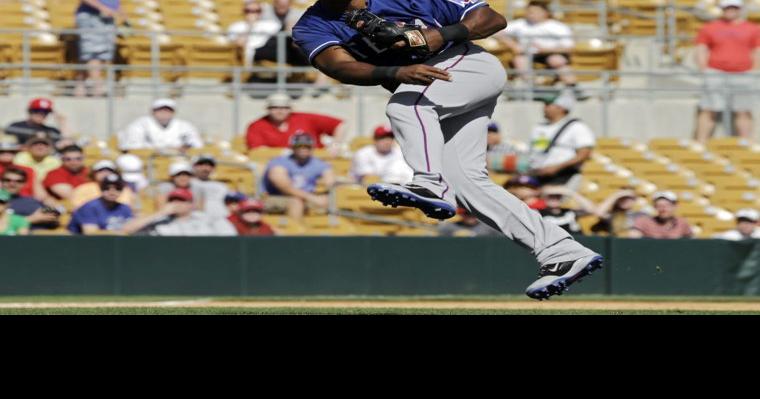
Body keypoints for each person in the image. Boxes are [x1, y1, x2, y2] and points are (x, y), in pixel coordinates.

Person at [293, 0, 602, 300]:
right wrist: (393, 73)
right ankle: (563, 252)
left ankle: (430, 184)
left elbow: (492, 18)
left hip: (465, 63)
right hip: (432, 88)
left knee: (405, 106)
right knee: (466, 181)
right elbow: (339, 66)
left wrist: (442, 34)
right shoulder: (311, 24)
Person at [694, 0, 760, 142]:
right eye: (727, 7)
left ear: (740, 8)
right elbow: (701, 49)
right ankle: (700, 142)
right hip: (715, 73)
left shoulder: (753, 28)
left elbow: (757, 50)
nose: (731, 10)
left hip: (743, 73)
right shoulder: (709, 28)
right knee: (708, 109)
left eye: (734, 7)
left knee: (743, 110)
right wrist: (704, 69)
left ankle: (746, 143)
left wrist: (754, 70)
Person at [496, 1, 577, 88]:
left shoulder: (558, 27)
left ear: (545, 12)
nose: (531, 14)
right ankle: (533, 86)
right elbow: (497, 31)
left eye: (535, 12)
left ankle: (572, 87)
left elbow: (568, 48)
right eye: (529, 11)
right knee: (519, 60)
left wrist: (545, 50)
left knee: (557, 60)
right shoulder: (520, 24)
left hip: (550, 54)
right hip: (526, 54)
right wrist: (513, 45)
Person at [527, 90, 594, 188]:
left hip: (563, 177)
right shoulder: (538, 127)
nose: (544, 107)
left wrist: (557, 167)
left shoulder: (577, 127)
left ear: (561, 107)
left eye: (548, 104)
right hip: (537, 175)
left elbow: (584, 154)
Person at [261, 133, 334, 220]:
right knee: (296, 202)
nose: (303, 149)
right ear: (292, 147)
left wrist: (326, 197)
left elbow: (331, 182)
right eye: (299, 146)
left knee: (334, 200)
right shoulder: (279, 162)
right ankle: (296, 231)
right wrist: (312, 198)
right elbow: (284, 187)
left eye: (307, 146)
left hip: (307, 198)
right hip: (275, 197)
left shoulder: (318, 163)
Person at [245, 92, 345, 151]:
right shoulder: (256, 126)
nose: (279, 111)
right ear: (267, 109)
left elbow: (340, 124)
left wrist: (335, 145)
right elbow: (258, 151)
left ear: (291, 109)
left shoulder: (305, 118)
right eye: (274, 107)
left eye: (284, 107)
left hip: (314, 162)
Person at [122, 188, 237, 236]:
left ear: (191, 204)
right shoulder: (160, 221)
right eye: (173, 200)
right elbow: (127, 229)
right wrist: (160, 213)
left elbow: (230, 238)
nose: (177, 203)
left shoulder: (208, 219)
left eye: (182, 200)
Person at [74, 1, 125, 97]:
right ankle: (97, 90)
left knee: (101, 56)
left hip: (108, 18)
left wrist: (122, 15)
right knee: (93, 54)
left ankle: (80, 87)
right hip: (92, 17)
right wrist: (102, 8)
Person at [117, 99, 204, 152]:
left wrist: (186, 146)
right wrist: (163, 150)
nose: (164, 113)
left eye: (168, 110)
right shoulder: (140, 124)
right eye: (160, 110)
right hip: (148, 160)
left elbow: (197, 144)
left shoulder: (184, 125)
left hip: (177, 160)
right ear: (153, 112)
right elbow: (133, 146)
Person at [67, 174, 133, 235]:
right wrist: (120, 232)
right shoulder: (89, 207)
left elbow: (131, 228)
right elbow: (90, 233)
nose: (112, 192)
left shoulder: (124, 208)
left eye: (117, 188)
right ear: (101, 189)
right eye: (107, 188)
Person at [227, 0, 282, 66]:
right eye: (248, 11)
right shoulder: (236, 26)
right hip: (246, 61)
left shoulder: (271, 25)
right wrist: (250, 26)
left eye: (257, 11)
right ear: (243, 11)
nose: (252, 14)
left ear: (261, 12)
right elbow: (240, 43)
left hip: (267, 58)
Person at [4, 98, 71, 147]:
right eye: (37, 111)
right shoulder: (16, 126)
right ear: (29, 111)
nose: (41, 114)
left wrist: (63, 123)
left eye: (45, 112)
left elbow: (67, 144)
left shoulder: (52, 130)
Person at [70, 160, 135, 209]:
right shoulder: (83, 189)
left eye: (109, 171)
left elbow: (125, 206)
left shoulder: (123, 189)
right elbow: (78, 207)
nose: (105, 173)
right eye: (101, 171)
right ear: (94, 173)